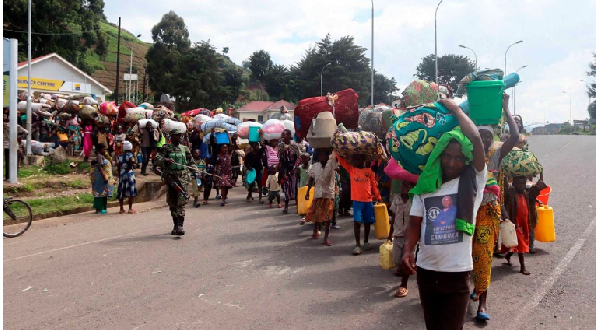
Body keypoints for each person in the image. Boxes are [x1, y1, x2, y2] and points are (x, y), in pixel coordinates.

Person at [401, 98, 487, 330]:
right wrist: (408, 250)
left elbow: (476, 140)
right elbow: (415, 224)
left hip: (457, 274)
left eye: (459, 157)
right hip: (427, 272)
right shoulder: (426, 186)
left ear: (465, 160)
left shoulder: (472, 183)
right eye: (447, 156)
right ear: (439, 155)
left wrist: (457, 110)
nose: (452, 162)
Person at [471, 94, 520, 321]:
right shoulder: (466, 154)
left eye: (487, 136)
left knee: (484, 254)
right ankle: (470, 289)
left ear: (492, 138)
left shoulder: (497, 154)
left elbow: (516, 136)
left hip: (489, 214)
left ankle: (482, 302)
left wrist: (505, 108)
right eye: (479, 136)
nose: (483, 139)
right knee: (465, 256)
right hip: (466, 213)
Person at [335, 153, 382, 255]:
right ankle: (357, 244)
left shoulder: (369, 171)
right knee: (357, 222)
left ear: (366, 161)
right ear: (355, 161)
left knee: (368, 222)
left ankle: (366, 241)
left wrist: (378, 198)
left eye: (362, 160)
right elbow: (342, 162)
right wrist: (336, 151)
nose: (360, 162)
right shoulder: (352, 170)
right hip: (356, 201)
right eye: (358, 160)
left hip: (368, 201)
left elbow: (374, 185)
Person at [502, 176, 546, 275]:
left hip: (524, 223)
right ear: (514, 185)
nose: (521, 186)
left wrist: (540, 179)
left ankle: (508, 256)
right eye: (519, 184)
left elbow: (535, 191)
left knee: (516, 243)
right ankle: (523, 266)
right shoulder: (511, 194)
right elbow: (505, 199)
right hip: (515, 223)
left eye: (523, 184)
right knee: (520, 243)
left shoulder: (526, 193)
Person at [156, 130, 192, 236]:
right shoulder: (166, 148)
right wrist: (166, 160)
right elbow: (157, 159)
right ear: (172, 136)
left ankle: (180, 226)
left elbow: (191, 161)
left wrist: (195, 171)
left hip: (183, 179)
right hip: (171, 179)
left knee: (181, 202)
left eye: (180, 135)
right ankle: (176, 225)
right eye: (177, 135)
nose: (179, 137)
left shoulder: (184, 149)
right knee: (172, 203)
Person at [388, 181, 416, 298]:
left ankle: (404, 284)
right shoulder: (397, 198)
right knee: (396, 259)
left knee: (406, 260)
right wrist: (390, 233)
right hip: (398, 233)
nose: (406, 188)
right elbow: (393, 216)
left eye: (409, 185)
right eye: (404, 185)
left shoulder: (415, 200)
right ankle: (407, 268)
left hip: (410, 236)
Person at [305, 150, 338, 246]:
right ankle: (315, 231)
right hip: (318, 194)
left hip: (328, 195)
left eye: (324, 155)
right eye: (321, 155)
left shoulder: (332, 164)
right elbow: (311, 179)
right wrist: (307, 192)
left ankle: (326, 238)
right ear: (318, 157)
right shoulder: (314, 166)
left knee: (327, 218)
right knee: (317, 215)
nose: (323, 156)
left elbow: (337, 158)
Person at [278, 129, 301, 214]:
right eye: (282, 135)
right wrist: (283, 151)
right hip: (285, 169)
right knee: (286, 188)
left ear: (289, 135)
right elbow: (278, 156)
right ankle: (286, 206)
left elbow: (299, 157)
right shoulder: (281, 145)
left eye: (285, 135)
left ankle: (298, 206)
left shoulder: (294, 145)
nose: (283, 137)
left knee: (294, 187)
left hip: (293, 170)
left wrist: (295, 168)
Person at [90, 143, 115, 214]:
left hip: (100, 178)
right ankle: (99, 209)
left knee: (103, 193)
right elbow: (100, 167)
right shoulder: (99, 156)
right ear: (100, 150)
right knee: (100, 193)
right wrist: (104, 176)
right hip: (100, 178)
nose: (105, 150)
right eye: (103, 149)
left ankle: (102, 208)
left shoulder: (102, 156)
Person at [3, 113, 28, 180]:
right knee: (15, 162)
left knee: (7, 161)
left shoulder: (3, 125)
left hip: (6, 146)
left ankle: (7, 177)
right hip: (14, 145)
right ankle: (14, 176)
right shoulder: (16, 126)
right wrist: (19, 136)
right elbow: (26, 132)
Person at [116, 141, 138, 214]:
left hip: (122, 174)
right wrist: (129, 167)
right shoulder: (130, 155)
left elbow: (118, 167)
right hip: (129, 174)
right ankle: (130, 208)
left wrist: (119, 174)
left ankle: (121, 208)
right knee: (130, 191)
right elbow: (132, 161)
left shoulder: (119, 156)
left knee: (121, 190)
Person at [298, 153, 312, 224]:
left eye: (305, 158)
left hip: (310, 187)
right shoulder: (300, 168)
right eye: (302, 158)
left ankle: (310, 215)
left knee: (310, 202)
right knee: (302, 203)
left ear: (309, 159)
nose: (303, 160)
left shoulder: (311, 168)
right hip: (302, 187)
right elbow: (297, 176)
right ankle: (303, 216)